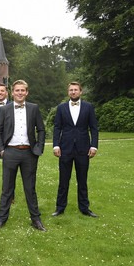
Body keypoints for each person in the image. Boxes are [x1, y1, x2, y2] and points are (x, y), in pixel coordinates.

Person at [0, 80, 47, 232]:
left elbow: (41, 130)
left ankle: (36, 219)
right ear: (12, 92)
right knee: (7, 188)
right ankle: (2, 219)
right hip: (10, 152)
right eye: (17, 90)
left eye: (23, 90)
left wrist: (39, 147)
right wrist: (1, 150)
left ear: (27, 92)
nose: (20, 93)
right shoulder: (5, 109)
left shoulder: (33, 108)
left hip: (29, 153)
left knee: (30, 188)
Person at [52, 82, 99, 218]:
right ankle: (60, 208)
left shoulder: (88, 107)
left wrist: (94, 146)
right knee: (63, 180)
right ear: (68, 92)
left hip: (83, 149)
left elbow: (94, 128)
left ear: (80, 92)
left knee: (82, 180)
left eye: (75, 90)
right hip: (65, 149)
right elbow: (57, 127)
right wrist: (56, 145)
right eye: (71, 90)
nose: (73, 92)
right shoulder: (61, 108)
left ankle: (84, 208)